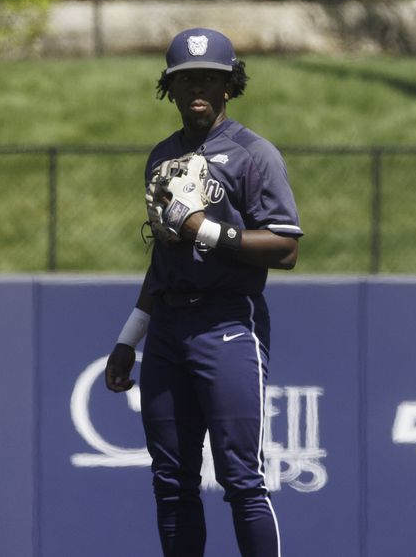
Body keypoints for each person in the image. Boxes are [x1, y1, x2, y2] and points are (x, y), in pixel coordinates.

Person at [103, 27, 303, 556]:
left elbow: (285, 248)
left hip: (227, 324)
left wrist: (205, 230)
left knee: (242, 479)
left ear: (229, 86)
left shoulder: (254, 154)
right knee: (171, 484)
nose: (198, 87)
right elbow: (163, 258)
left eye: (211, 79)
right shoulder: (161, 156)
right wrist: (130, 336)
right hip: (167, 329)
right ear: (169, 87)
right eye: (186, 78)